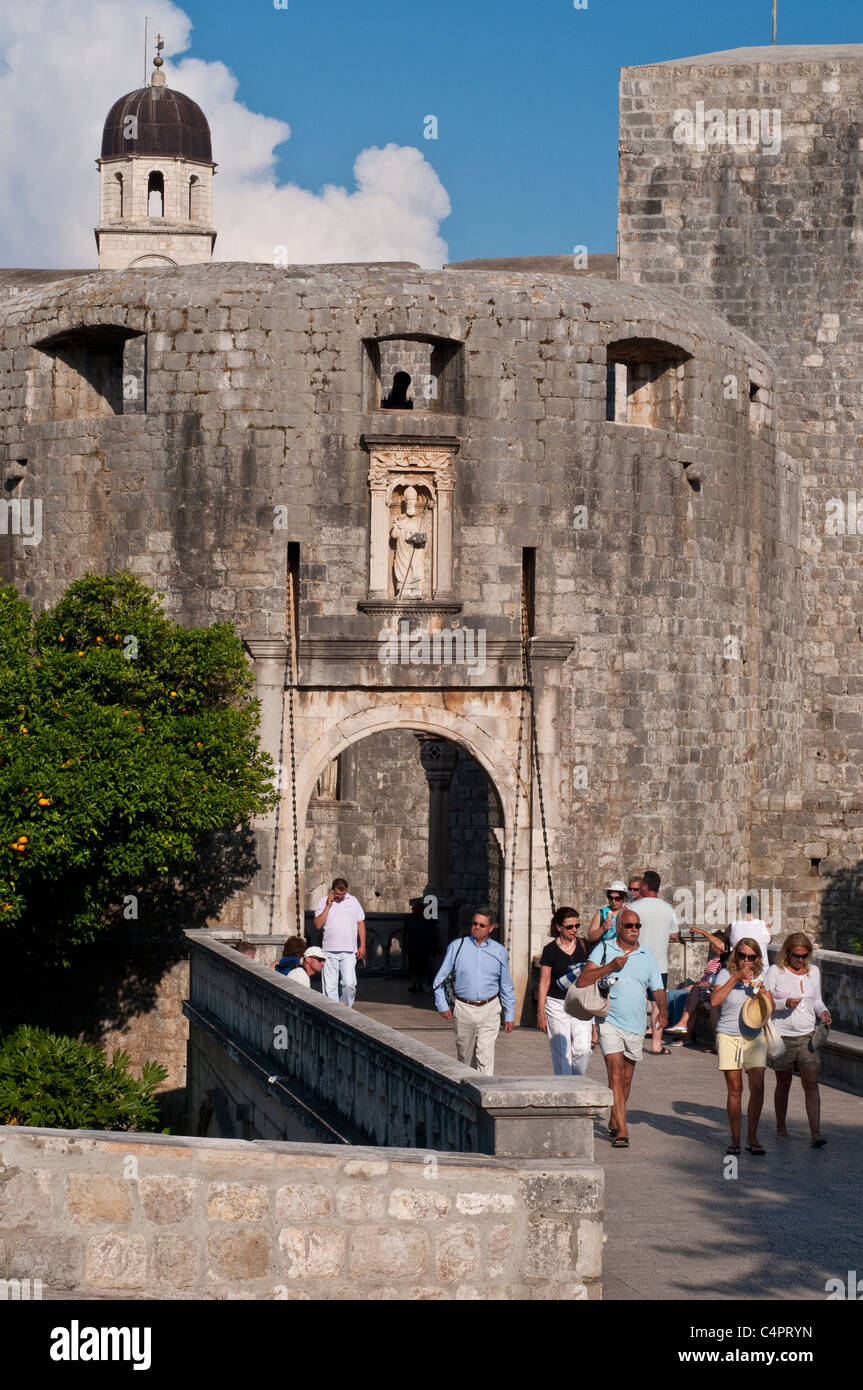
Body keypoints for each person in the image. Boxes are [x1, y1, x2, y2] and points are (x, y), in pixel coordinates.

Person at [578, 908, 667, 1149]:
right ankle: (623, 1130)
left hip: (636, 1025)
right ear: (618, 928)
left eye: (637, 925)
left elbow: (657, 988)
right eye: (629, 926)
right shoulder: (605, 949)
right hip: (609, 1021)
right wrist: (610, 967)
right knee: (615, 1074)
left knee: (626, 1078)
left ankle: (614, 1118)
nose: (634, 930)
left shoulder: (647, 955)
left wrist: (664, 1011)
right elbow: (583, 979)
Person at [765, 933, 831, 1147]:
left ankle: (816, 1132)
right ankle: (781, 1127)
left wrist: (824, 1012)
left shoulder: (814, 972)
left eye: (804, 956)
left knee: (811, 1082)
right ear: (787, 952)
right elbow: (767, 1002)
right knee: (783, 1083)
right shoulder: (775, 972)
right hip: (782, 1035)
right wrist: (785, 1004)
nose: (800, 960)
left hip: (807, 1036)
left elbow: (817, 1001)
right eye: (796, 955)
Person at [711, 937, 775, 1155]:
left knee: (757, 1087)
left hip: (754, 1037)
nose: (746, 961)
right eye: (742, 956)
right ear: (735, 955)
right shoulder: (724, 973)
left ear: (756, 957)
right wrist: (736, 978)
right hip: (729, 1036)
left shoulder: (760, 975)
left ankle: (752, 1137)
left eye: (751, 957)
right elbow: (714, 1001)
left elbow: (771, 1007)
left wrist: (761, 990)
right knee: (735, 1090)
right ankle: (735, 1139)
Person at [433, 907, 515, 1073]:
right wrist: (442, 1004)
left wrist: (510, 1013)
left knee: (485, 1055)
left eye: (481, 925)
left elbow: (506, 984)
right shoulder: (457, 946)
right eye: (474, 923)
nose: (477, 927)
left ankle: (485, 1092)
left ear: (491, 928)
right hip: (464, 1008)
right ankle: (467, 1090)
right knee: (465, 1056)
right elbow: (440, 979)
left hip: (490, 1008)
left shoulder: (499, 951)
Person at [537, 907, 592, 1075]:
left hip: (580, 1002)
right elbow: (544, 981)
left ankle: (578, 1081)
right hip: (556, 1003)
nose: (574, 930)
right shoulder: (550, 950)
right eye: (569, 927)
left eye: (577, 925)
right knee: (562, 1051)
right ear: (559, 927)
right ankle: (565, 1087)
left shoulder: (585, 946)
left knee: (583, 1048)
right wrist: (541, 1012)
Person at [632, 870, 679, 1055]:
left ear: (644, 886)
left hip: (636, 961)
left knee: (635, 1001)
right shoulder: (668, 908)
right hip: (659, 963)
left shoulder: (635, 907)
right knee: (657, 1004)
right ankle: (656, 1044)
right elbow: (674, 935)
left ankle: (633, 1042)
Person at [313, 877, 366, 1007]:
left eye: (343, 894)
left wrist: (363, 945)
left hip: (349, 951)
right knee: (330, 986)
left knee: (349, 984)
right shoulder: (323, 902)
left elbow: (360, 923)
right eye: (338, 894)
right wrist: (328, 905)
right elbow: (318, 925)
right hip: (329, 951)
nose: (341, 897)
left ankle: (345, 1008)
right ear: (333, 890)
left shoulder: (353, 901)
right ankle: (333, 1011)